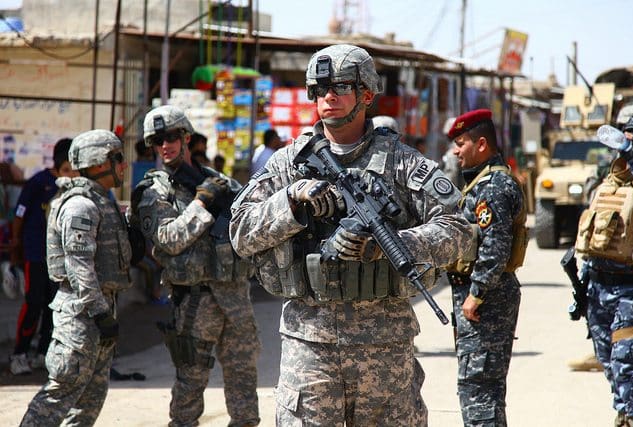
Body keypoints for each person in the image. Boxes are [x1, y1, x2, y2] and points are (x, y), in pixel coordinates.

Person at [230, 44, 473, 426]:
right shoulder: (287, 164)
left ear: (367, 94)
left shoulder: (402, 162)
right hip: (309, 347)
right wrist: (291, 204)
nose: (328, 96)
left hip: (385, 348)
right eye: (319, 87)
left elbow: (460, 229)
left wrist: (392, 247)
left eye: (341, 86)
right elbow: (241, 233)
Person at [131, 105, 260, 427]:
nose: (165, 145)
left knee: (244, 382)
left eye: (172, 136)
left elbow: (250, 225)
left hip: (236, 296)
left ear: (186, 137)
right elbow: (169, 239)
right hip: (195, 301)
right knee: (190, 384)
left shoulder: (218, 181)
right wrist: (201, 204)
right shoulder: (153, 192)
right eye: (157, 140)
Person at [20, 129, 131, 426]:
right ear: (97, 164)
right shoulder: (80, 205)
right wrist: (100, 314)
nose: (124, 165)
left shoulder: (102, 201)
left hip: (99, 311)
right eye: (117, 158)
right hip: (81, 317)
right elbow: (79, 266)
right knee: (60, 394)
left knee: (89, 401)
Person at [447, 109, 526, 426]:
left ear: (481, 144)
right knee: (480, 387)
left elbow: (495, 246)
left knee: (480, 391)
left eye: (461, 142)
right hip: (484, 297)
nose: (456, 150)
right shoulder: (484, 181)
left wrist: (476, 294)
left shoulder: (492, 187)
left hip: (486, 300)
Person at [574, 115, 633, 426]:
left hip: (631, 287)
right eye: (624, 136)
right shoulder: (611, 178)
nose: (623, 143)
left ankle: (632, 416)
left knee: (627, 360)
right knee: (608, 360)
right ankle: (625, 410)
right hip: (599, 284)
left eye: (631, 137)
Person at [9, 137, 77, 376]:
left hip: (59, 257)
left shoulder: (76, 186)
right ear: (58, 165)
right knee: (34, 302)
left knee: (54, 306)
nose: (72, 173)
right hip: (36, 253)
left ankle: (42, 353)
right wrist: (16, 243)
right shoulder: (38, 183)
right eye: (68, 167)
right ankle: (19, 353)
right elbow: (19, 214)